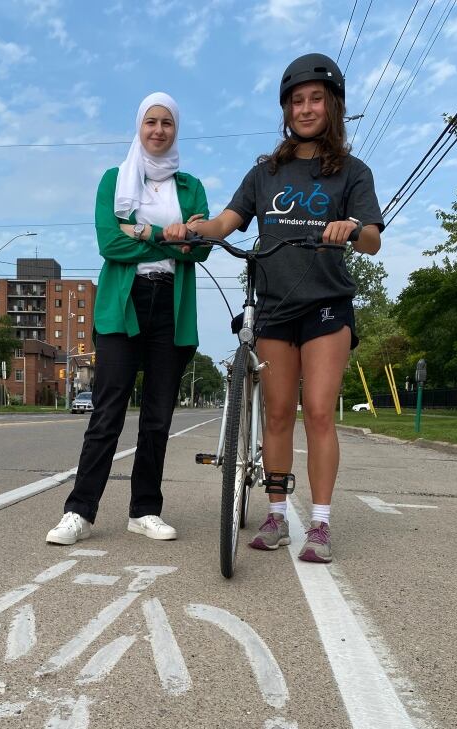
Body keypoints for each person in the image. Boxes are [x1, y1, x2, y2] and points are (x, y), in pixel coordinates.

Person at [164, 54, 383, 563]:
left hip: (327, 304)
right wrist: (189, 227)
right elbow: (226, 222)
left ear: (332, 106)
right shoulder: (266, 172)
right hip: (274, 306)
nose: (305, 109)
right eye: (296, 101)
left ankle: (322, 526)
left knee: (320, 412)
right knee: (278, 414)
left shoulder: (352, 171)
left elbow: (372, 239)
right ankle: (278, 516)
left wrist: (351, 228)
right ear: (286, 110)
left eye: (314, 99)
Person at [46, 92, 210, 546]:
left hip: (170, 307)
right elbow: (109, 244)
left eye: (168, 123)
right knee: (108, 413)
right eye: (150, 122)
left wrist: (139, 230)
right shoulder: (114, 180)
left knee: (157, 418)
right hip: (123, 304)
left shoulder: (191, 187)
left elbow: (201, 248)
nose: (159, 130)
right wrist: (164, 236)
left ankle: (144, 511)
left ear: (177, 130)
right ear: (139, 127)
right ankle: (79, 512)